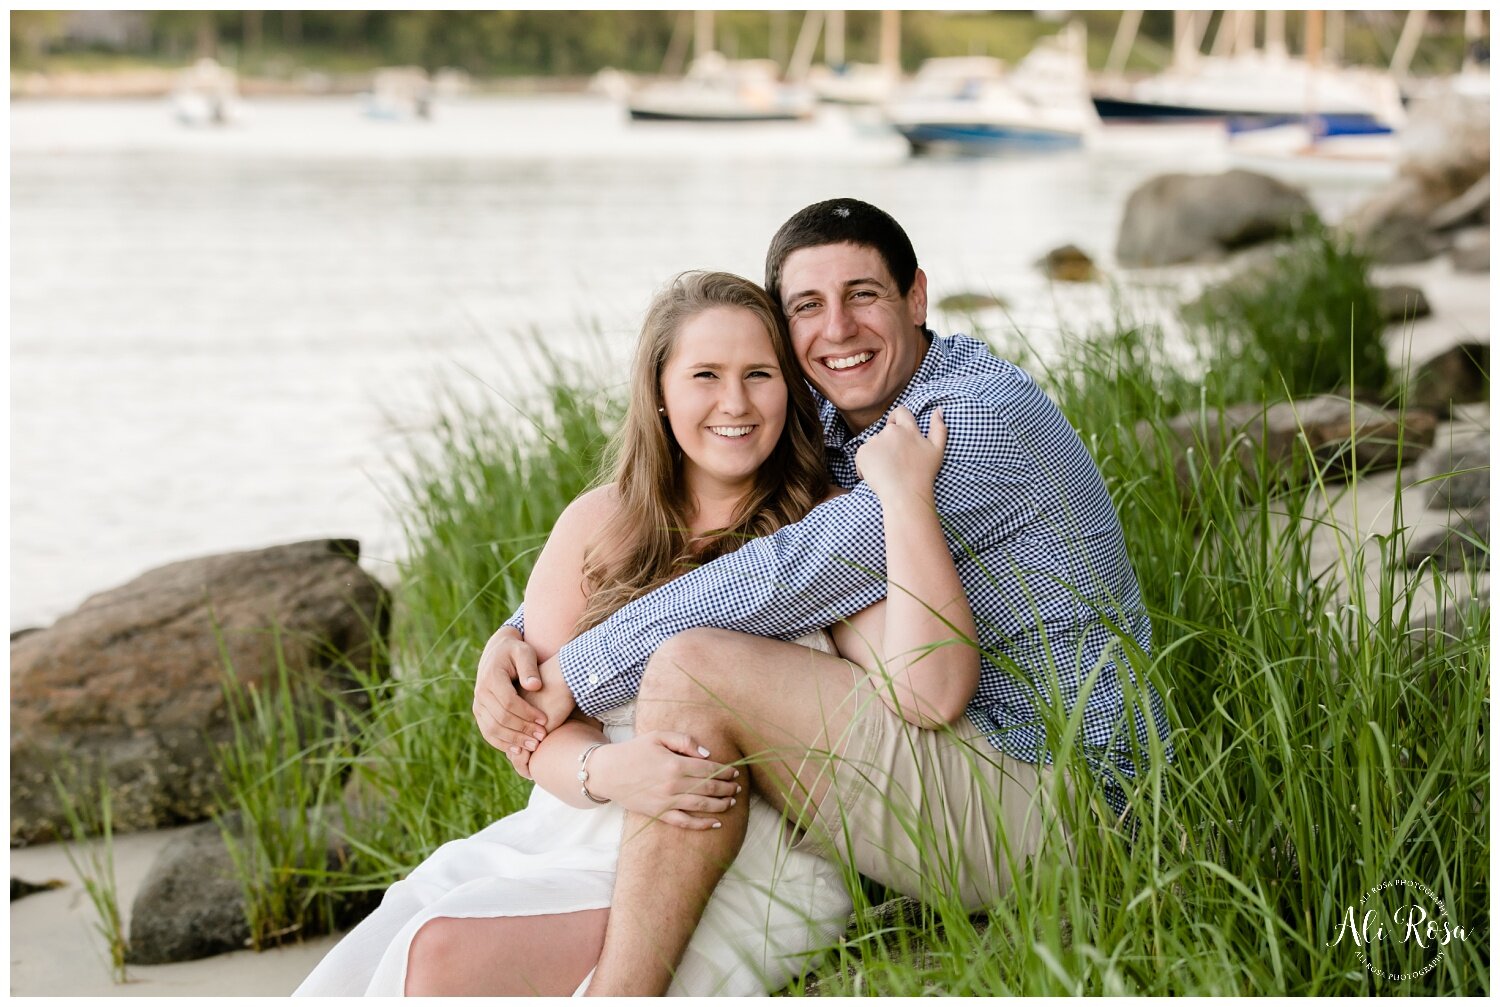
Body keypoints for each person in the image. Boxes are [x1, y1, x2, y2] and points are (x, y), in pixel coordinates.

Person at [474, 198, 1175, 995]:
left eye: (864, 294)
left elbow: (789, 570)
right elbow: (735, 534)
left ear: (916, 297)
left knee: (692, 667)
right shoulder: (848, 418)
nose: (837, 328)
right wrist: (518, 633)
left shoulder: (968, 422)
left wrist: (568, 671)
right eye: (807, 306)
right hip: (973, 759)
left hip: (1072, 805)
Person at [294, 268, 974, 996]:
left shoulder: (824, 524)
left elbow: (919, 681)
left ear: (792, 388)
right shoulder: (600, 523)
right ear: (658, 390)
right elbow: (535, 734)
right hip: (572, 825)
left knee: (442, 956)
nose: (735, 403)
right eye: (705, 375)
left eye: (760, 374)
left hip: (740, 853)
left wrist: (905, 500)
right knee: (396, 941)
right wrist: (609, 772)